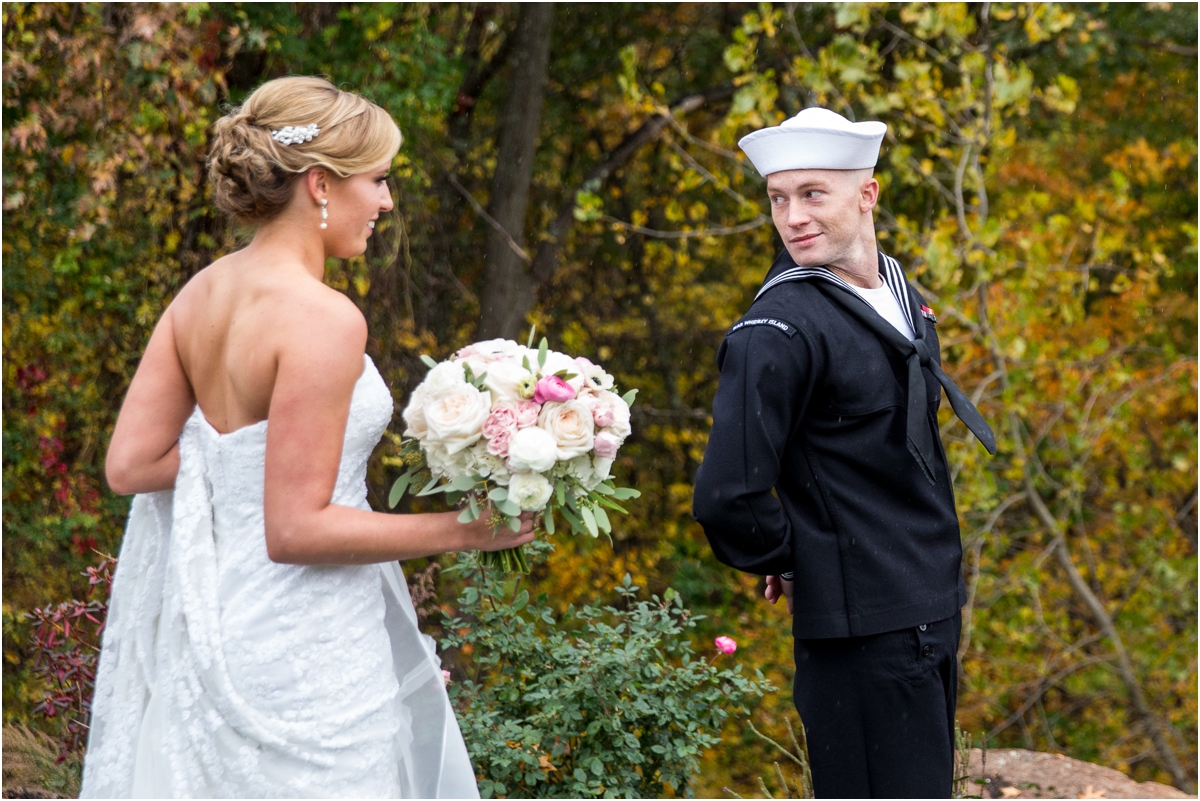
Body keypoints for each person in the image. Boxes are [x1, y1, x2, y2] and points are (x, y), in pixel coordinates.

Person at [80, 76, 534, 799]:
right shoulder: (325, 320)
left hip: (218, 622)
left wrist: (237, 470)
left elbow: (130, 464)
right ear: (320, 184)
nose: (387, 202)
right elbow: (294, 528)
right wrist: (466, 529)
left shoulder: (200, 293)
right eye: (379, 180)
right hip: (307, 644)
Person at [692, 107, 995, 798]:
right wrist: (794, 556)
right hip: (864, 635)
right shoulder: (778, 328)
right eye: (778, 198)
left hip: (931, 606)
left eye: (812, 193)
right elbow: (726, 495)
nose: (792, 216)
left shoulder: (898, 290)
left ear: (868, 194)